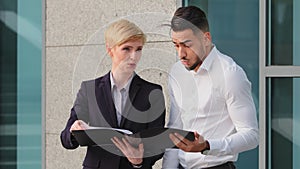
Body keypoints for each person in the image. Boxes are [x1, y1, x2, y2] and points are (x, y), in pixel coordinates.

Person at [162, 6, 259, 169]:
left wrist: (208, 146)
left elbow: (251, 136)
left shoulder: (231, 75)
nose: (181, 54)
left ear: (206, 38)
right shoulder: (177, 71)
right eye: (176, 45)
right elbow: (175, 130)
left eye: (187, 45)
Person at [60, 19, 166, 169]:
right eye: (127, 49)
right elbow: (65, 139)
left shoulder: (153, 92)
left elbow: (158, 144)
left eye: (138, 49)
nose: (134, 56)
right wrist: (73, 131)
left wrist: (139, 160)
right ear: (110, 50)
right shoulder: (89, 90)